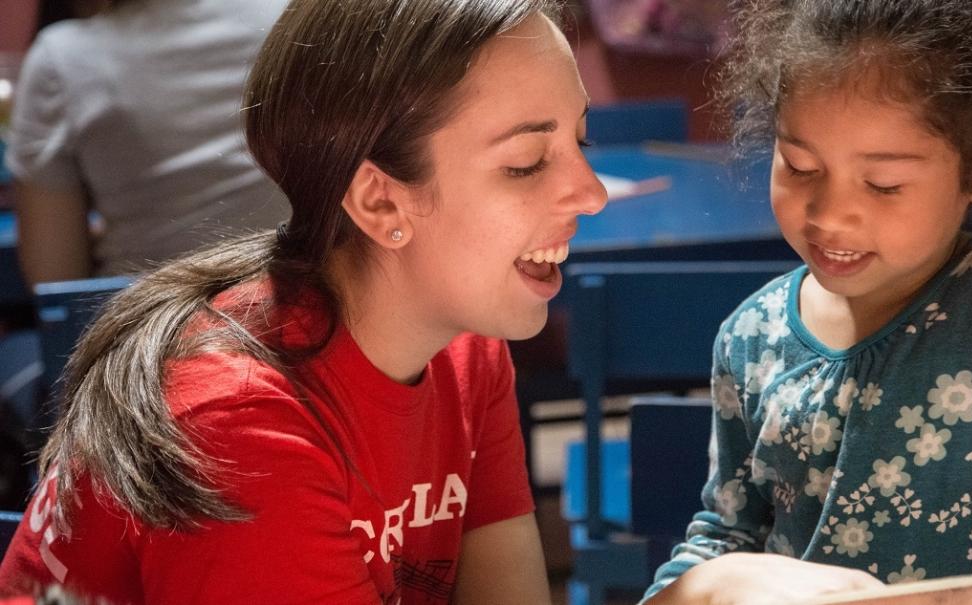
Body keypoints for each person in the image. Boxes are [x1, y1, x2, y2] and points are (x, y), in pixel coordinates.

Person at [0, 0, 606, 603]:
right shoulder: (236, 428)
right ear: (379, 203)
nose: (592, 194)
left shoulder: (465, 345)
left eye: (582, 138)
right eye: (526, 165)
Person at [642, 0, 972, 603]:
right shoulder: (751, 336)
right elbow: (727, 537)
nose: (829, 215)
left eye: (883, 185)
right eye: (800, 166)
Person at [7, 0, 289, 283]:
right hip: (305, 302)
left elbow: (54, 272)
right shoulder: (295, 14)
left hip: (151, 314)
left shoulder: (61, 59)